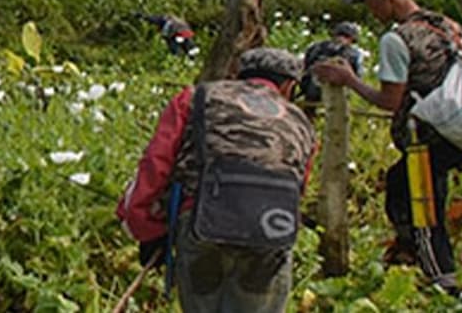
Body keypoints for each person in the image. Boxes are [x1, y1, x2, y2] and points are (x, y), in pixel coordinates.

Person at [116, 48, 316, 313]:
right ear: (289, 86)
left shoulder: (195, 97)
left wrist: (147, 228)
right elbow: (297, 188)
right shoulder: (301, 123)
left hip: (202, 222)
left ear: (238, 74)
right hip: (269, 232)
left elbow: (156, 164)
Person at [312, 0, 462, 298]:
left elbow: (390, 101)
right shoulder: (447, 27)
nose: (370, 11)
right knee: (401, 187)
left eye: (370, 2)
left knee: (422, 214)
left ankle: (443, 285)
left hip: (423, 140)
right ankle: (408, 262)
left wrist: (349, 81)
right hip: (457, 131)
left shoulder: (396, 40)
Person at [296, 22, 365, 117]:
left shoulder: (354, 55)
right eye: (340, 35)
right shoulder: (318, 48)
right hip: (316, 87)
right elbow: (306, 66)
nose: (341, 39)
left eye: (345, 36)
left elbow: (357, 76)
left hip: (335, 91)